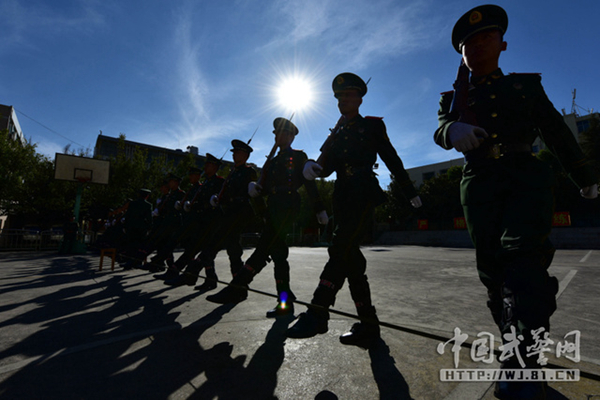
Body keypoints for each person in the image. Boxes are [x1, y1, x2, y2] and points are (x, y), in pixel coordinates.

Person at [433, 5, 598, 399]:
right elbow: (440, 128)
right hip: (478, 186)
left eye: (485, 37)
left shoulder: (524, 87)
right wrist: (451, 128)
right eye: (468, 42)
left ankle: (527, 363)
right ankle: (515, 351)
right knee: (493, 277)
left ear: (502, 44)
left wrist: (584, 175)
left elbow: (556, 130)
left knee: (525, 265)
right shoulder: (454, 96)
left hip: (525, 178)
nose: (476, 45)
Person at [285, 72, 422, 349]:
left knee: (340, 248)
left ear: (360, 98)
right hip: (342, 194)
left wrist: (409, 190)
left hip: (362, 190)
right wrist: (313, 167)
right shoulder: (337, 133)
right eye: (339, 96)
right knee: (352, 261)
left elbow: (390, 157)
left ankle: (318, 311)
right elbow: (329, 167)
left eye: (348, 95)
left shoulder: (370, 126)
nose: (343, 100)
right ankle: (368, 324)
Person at [207, 118, 328, 318]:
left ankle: (238, 286)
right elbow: (264, 189)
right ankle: (285, 300)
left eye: (281, 133)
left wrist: (319, 208)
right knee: (279, 255)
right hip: (273, 206)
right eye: (275, 133)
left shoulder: (299, 156)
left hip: (288, 205)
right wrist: (256, 190)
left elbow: (309, 182)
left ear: (291, 136)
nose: (276, 136)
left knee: (263, 248)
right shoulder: (271, 162)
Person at [163, 154, 225, 287]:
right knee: (197, 251)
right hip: (201, 221)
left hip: (211, 222)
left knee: (202, 251)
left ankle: (183, 274)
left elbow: (220, 200)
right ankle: (207, 279)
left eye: (208, 164)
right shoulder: (206, 183)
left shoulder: (219, 182)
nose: (205, 167)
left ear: (214, 167)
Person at [121, 188, 153, 269]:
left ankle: (128, 262)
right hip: (141, 228)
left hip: (131, 227)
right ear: (147, 196)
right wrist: (149, 228)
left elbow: (127, 215)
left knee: (131, 245)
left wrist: (125, 226)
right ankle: (137, 262)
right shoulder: (148, 205)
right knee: (139, 246)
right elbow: (149, 218)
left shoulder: (132, 203)